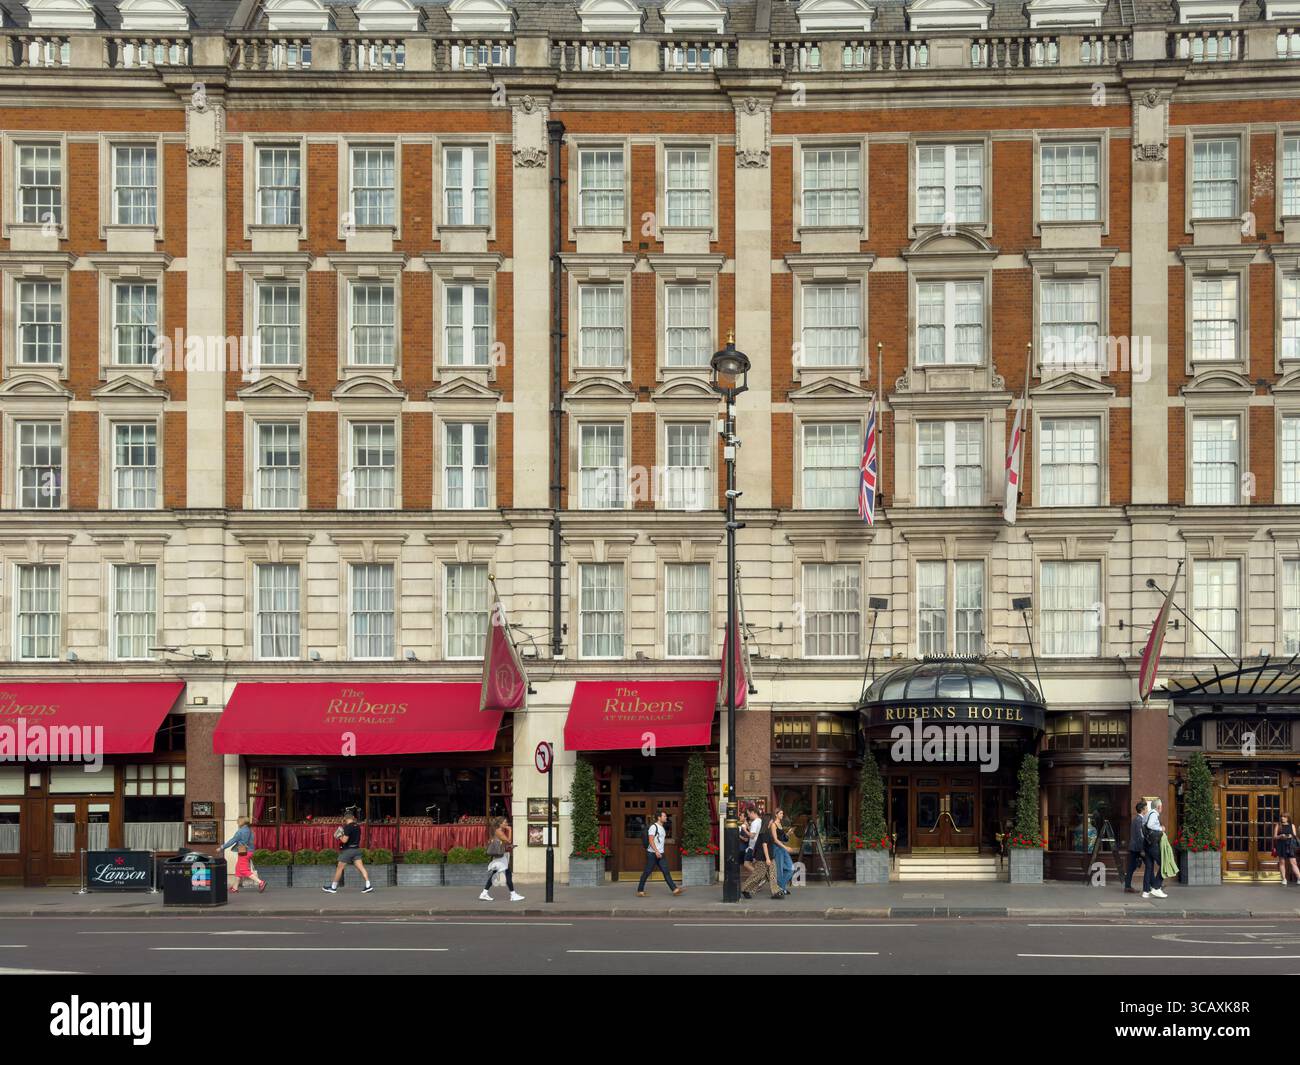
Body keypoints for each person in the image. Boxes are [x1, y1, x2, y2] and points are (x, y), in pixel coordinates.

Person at [322, 812, 374, 894]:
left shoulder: (347, 827)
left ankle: (333, 887)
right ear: (353, 818)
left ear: (345, 819)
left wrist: (339, 836)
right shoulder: (357, 826)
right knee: (361, 868)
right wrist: (342, 834)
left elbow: (344, 840)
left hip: (348, 851)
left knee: (339, 868)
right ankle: (368, 885)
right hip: (356, 849)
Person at [636, 809, 684, 897]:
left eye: (666, 816)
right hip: (652, 854)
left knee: (666, 871)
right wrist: (656, 851)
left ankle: (675, 889)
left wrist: (659, 852)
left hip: (660, 853)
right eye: (664, 816)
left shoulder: (661, 827)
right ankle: (640, 890)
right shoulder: (654, 827)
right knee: (647, 872)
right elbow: (651, 840)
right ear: (659, 817)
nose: (666, 817)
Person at [480, 815, 524, 902]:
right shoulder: (499, 831)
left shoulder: (498, 831)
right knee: (506, 874)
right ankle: (513, 895)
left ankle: (484, 893)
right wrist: (510, 830)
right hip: (500, 857)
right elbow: (508, 840)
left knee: (497, 874)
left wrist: (510, 846)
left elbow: (504, 843)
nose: (506, 824)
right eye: (505, 822)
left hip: (500, 856)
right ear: (500, 824)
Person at [741, 813, 782, 900]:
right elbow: (764, 845)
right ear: (769, 821)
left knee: (773, 874)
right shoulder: (764, 832)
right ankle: (745, 889)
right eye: (772, 820)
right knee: (758, 875)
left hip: (770, 857)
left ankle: (776, 892)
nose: (773, 821)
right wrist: (767, 858)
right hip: (763, 858)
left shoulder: (768, 831)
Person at [222, 815, 266, 894]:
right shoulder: (250, 830)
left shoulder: (241, 831)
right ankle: (235, 888)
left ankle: (260, 882)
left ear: (241, 821)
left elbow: (232, 840)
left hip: (243, 852)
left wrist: (222, 847)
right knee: (238, 869)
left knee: (244, 870)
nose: (237, 822)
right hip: (249, 851)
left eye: (238, 821)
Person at [1141, 798, 1168, 900]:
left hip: (1146, 844)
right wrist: (1161, 828)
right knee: (1164, 864)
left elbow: (1144, 827)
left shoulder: (1147, 814)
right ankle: (1156, 887)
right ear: (1159, 807)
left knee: (1149, 867)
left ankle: (1146, 891)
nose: (1162, 808)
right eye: (1161, 806)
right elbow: (1150, 825)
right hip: (1153, 845)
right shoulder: (1153, 814)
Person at [770, 808, 797, 896]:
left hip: (782, 848)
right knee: (779, 870)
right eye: (780, 813)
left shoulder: (780, 824)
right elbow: (775, 840)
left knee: (791, 868)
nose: (782, 815)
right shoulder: (773, 825)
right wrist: (786, 847)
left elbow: (782, 838)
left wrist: (788, 834)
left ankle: (781, 887)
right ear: (776, 814)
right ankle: (780, 889)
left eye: (782, 813)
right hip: (777, 849)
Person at [1123, 800, 1148, 894]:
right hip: (1137, 848)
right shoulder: (1139, 820)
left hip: (1135, 847)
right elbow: (1139, 836)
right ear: (1142, 810)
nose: (1147, 810)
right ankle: (1155, 885)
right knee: (1148, 865)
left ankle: (1127, 886)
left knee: (1132, 867)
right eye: (1146, 808)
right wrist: (1142, 849)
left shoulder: (1137, 819)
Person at [1275, 813, 1300, 886]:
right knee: (1282, 862)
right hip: (1281, 845)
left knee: (1293, 862)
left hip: (1290, 846)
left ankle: (1299, 878)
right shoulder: (1278, 825)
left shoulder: (1292, 826)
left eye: (1284, 817)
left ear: (1288, 818)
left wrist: (1290, 836)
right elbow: (1275, 837)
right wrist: (1280, 836)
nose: (1282, 818)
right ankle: (1284, 879)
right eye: (1282, 817)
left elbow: (1294, 836)